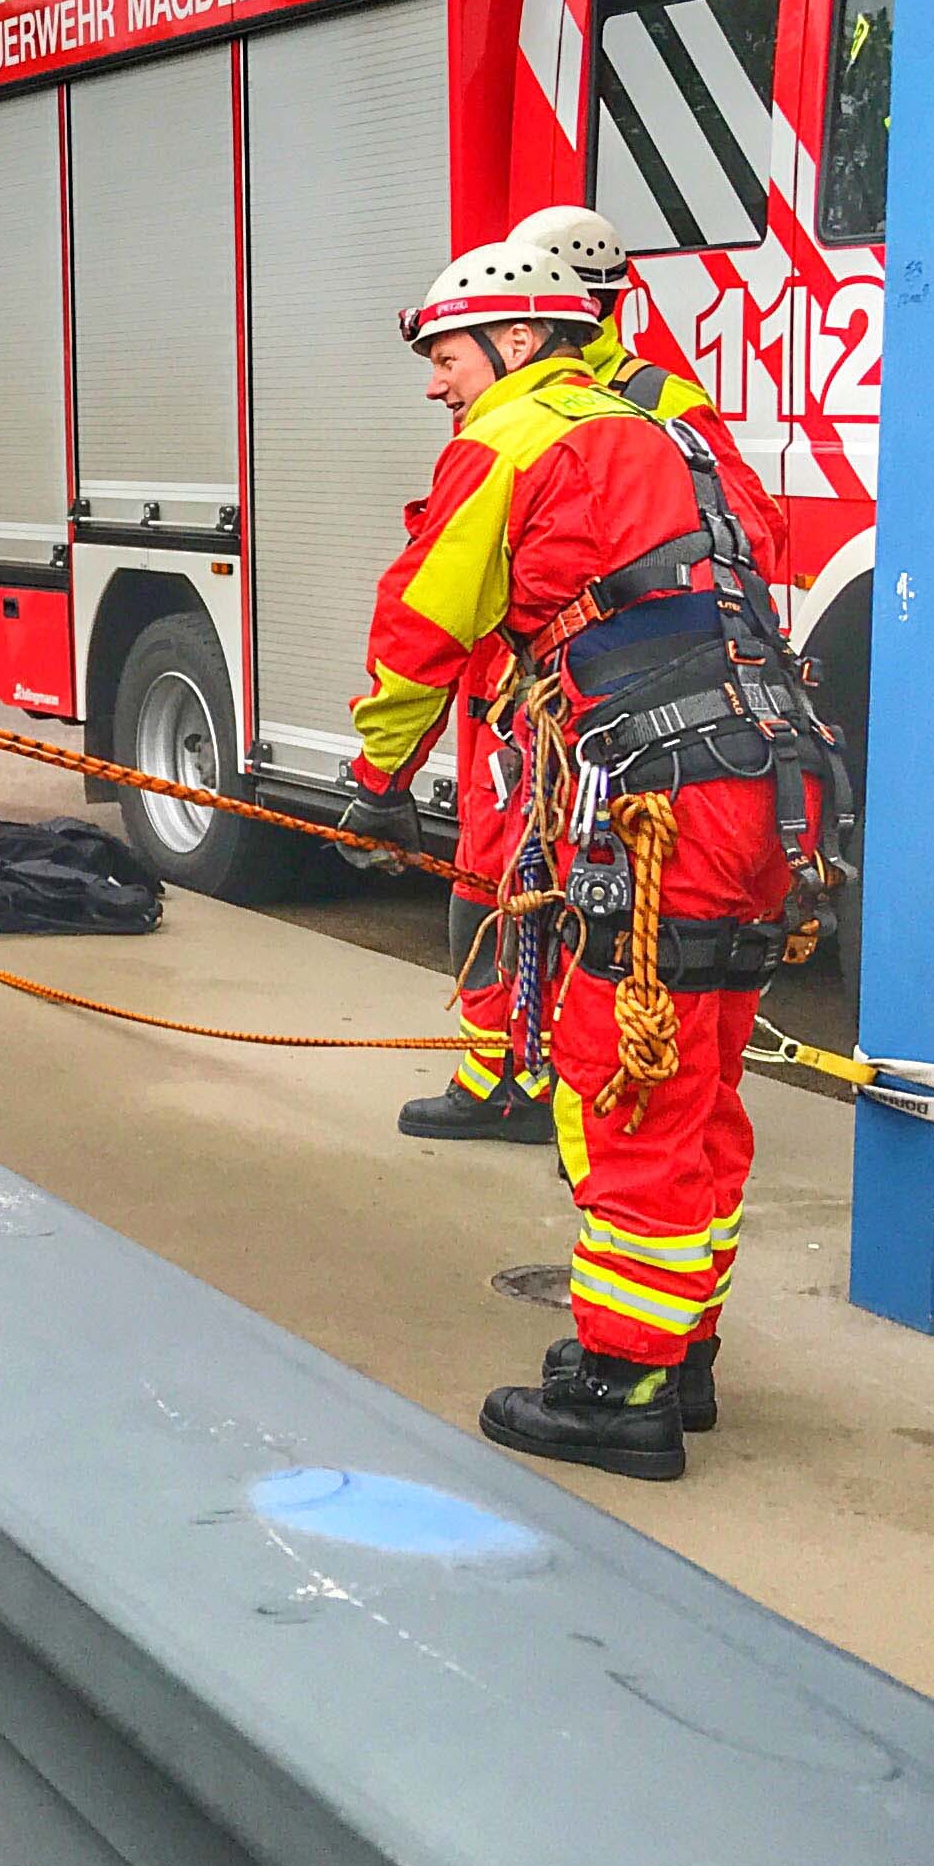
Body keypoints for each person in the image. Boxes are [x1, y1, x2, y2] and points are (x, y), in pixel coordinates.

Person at [338, 239, 831, 1480]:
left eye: (447, 356)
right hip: (770, 787)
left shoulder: (518, 439)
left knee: (627, 1088)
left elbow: (423, 623)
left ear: (515, 340)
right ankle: (675, 1353)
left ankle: (622, 1394)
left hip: (665, 806)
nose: (438, 385)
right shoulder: (674, 429)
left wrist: (376, 779)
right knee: (701, 1085)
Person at [396, 201, 791, 1145]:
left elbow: (746, 536)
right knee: (494, 881)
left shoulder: (647, 406)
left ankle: (575, 1087)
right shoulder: (537, 408)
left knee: (588, 900)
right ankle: (505, 1072)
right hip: (520, 690)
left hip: (597, 704)